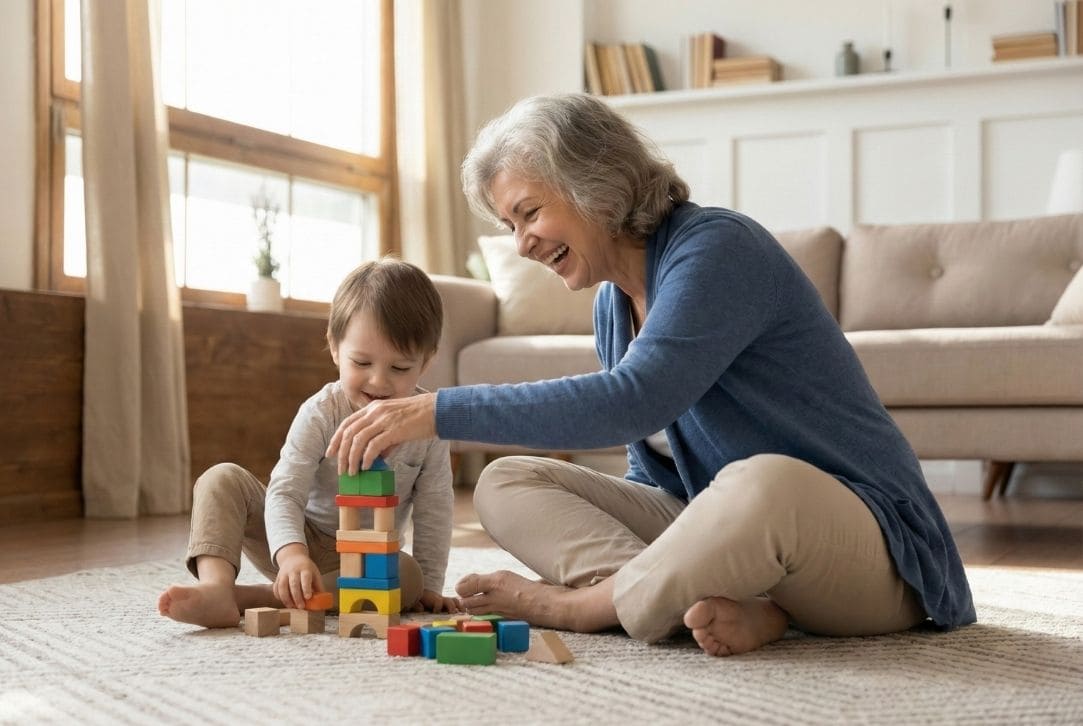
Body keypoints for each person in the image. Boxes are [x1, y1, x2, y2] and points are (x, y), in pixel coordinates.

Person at [324, 93, 976, 657]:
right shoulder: (614, 302)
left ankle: (585, 605)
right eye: (509, 225)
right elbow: (653, 469)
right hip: (733, 538)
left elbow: (631, 402)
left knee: (762, 481)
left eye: (528, 213)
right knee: (507, 480)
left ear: (592, 182)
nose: (520, 243)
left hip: (877, 552)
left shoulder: (717, 249)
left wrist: (437, 410)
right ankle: (694, 603)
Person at [159, 258, 459, 628]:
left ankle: (257, 598)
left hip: (368, 563)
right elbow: (285, 491)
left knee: (408, 575)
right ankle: (216, 588)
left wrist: (430, 586)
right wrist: (291, 555)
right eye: (361, 363)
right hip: (300, 540)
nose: (379, 382)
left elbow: (435, 508)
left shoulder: (426, 425)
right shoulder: (321, 412)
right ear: (335, 348)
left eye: (399, 368)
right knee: (220, 478)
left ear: (425, 363)